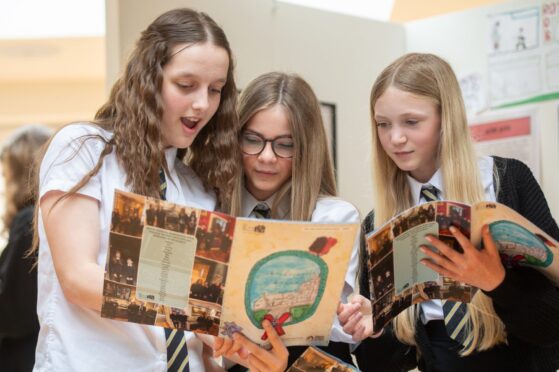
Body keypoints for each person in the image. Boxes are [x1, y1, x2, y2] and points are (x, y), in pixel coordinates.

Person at [33, 8, 243, 371]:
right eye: (186, 85)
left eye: (215, 90)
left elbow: (204, 346)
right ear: (149, 79)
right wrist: (194, 309)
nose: (203, 104)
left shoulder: (197, 189)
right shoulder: (83, 149)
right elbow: (78, 278)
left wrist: (224, 338)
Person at [337, 53, 559, 371]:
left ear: (447, 118)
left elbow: (551, 326)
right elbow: (382, 365)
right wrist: (372, 330)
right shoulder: (379, 221)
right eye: (383, 124)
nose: (395, 138)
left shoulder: (508, 182)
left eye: (412, 122)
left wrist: (497, 282)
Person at [212, 72, 361, 371]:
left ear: (306, 149)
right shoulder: (209, 208)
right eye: (252, 140)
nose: (266, 157)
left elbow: (340, 332)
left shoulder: (334, 218)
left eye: (285, 145)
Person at [0, 125, 51, 372]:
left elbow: (15, 309)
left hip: (24, 358)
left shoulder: (29, 221)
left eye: (7, 174)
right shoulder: (52, 216)